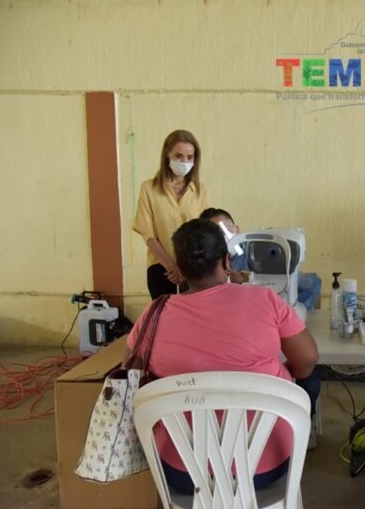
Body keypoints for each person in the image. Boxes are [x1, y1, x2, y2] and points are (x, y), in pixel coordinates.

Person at [124, 218, 320, 493]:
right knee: (311, 377)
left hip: (180, 472)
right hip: (265, 467)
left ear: (178, 269)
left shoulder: (154, 314)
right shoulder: (264, 300)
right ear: (227, 262)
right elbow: (308, 359)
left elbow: (131, 370)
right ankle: (304, 438)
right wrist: (280, 373)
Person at [133, 130, 210, 300]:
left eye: (189, 157)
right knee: (164, 320)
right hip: (160, 267)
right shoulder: (148, 188)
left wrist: (184, 267)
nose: (184, 161)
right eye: (179, 156)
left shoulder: (199, 190)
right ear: (167, 154)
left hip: (193, 267)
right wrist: (171, 267)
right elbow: (148, 233)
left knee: (191, 321)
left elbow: (203, 231)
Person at [199, 207, 323, 310]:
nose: (224, 234)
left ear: (237, 229)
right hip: (234, 315)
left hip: (268, 312)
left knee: (311, 282)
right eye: (216, 231)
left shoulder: (255, 250)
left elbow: (311, 283)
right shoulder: (203, 261)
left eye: (227, 228)